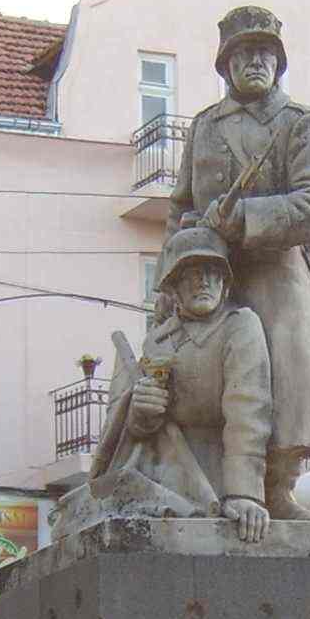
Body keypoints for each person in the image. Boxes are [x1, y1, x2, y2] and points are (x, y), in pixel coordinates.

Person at [167, 5, 310, 521]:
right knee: (200, 380)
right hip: (207, 272)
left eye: (265, 52)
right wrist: (166, 286)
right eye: (243, 53)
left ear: (279, 62)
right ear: (226, 65)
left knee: (289, 372)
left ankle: (277, 487)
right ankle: (209, 485)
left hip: (275, 272)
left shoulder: (301, 124)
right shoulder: (203, 126)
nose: (255, 61)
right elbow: (179, 207)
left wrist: (245, 217)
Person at [86, 224, 274, 543]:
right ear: (173, 287)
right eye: (191, 274)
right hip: (165, 472)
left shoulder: (240, 325)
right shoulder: (157, 340)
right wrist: (142, 413)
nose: (203, 281)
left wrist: (244, 492)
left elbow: (248, 412)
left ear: (225, 283)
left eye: (213, 273)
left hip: (218, 472)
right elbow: (140, 430)